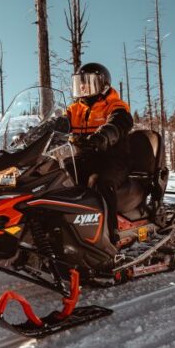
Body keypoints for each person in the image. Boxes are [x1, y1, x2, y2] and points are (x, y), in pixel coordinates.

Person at [65, 62, 133, 242]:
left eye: (88, 81)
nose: (82, 86)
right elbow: (58, 124)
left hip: (113, 159)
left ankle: (110, 236)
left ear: (103, 85)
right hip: (86, 158)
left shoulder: (114, 105)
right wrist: (36, 133)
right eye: (80, 82)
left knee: (102, 183)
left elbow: (119, 122)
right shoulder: (74, 109)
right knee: (59, 177)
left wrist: (103, 136)